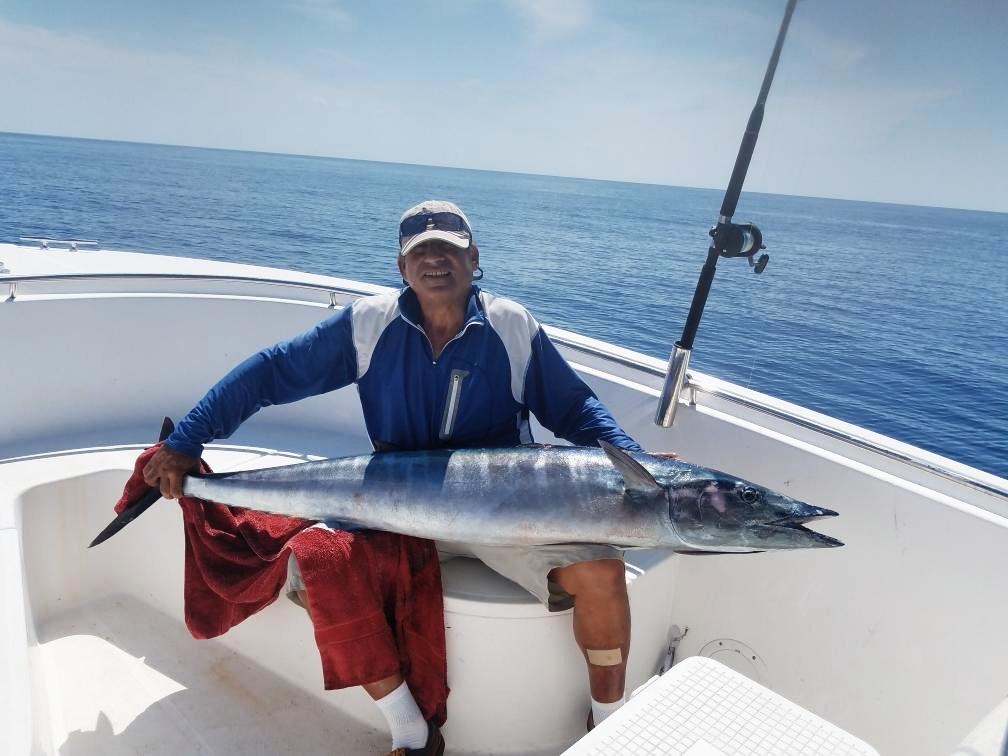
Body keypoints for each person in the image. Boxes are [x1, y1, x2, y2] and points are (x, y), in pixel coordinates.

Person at [143, 200, 660, 755]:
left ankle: (608, 723)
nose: (435, 260)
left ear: (474, 257)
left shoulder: (511, 326)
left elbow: (575, 409)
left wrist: (638, 462)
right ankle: (410, 727)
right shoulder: (368, 324)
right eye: (421, 251)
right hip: (396, 508)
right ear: (401, 266)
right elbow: (273, 372)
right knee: (322, 560)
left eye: (449, 248)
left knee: (603, 571)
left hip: (506, 510)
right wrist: (186, 440)